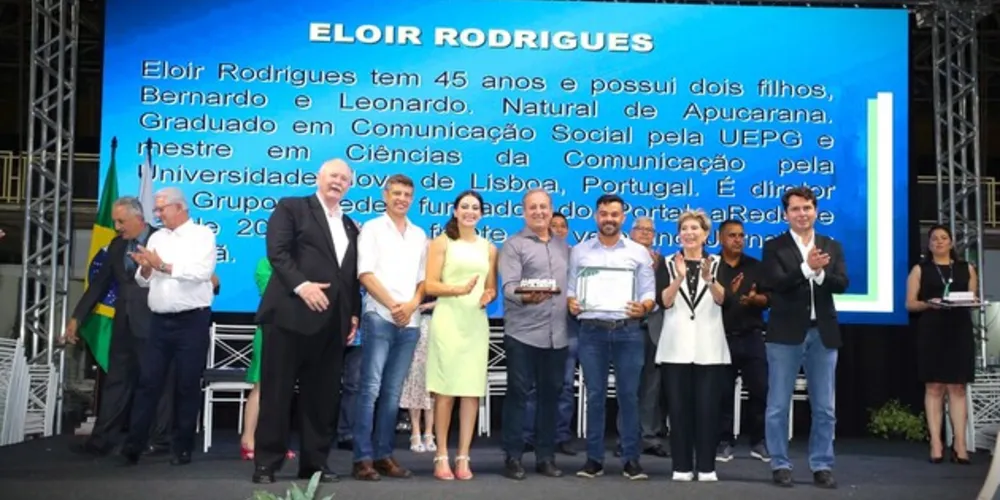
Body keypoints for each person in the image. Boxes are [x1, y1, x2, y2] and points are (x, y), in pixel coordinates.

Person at [252, 158, 361, 484]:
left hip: (332, 325)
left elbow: (350, 276)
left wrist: (353, 312)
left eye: (344, 178)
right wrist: (302, 286)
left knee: (323, 399)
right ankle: (266, 464)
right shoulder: (292, 207)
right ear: (319, 177)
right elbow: (278, 251)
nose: (337, 181)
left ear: (349, 186)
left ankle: (314, 464)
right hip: (289, 317)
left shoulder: (350, 225)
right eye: (332, 175)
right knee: (277, 394)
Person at [63, 196, 172, 456]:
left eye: (121, 221)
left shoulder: (163, 240)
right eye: (114, 221)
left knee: (158, 382)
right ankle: (101, 441)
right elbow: (99, 285)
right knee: (117, 382)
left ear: (138, 218)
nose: (117, 226)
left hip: (154, 322)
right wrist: (76, 318)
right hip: (123, 324)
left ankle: (161, 441)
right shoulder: (115, 245)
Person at [120, 187, 217, 466]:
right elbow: (143, 280)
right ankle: (134, 445)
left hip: (192, 320)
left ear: (179, 208)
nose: (158, 214)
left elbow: (200, 273)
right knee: (148, 383)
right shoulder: (158, 237)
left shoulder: (203, 235)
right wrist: (147, 268)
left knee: (187, 385)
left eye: (162, 209)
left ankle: (182, 447)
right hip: (160, 321)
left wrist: (160, 264)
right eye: (157, 210)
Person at [760, 187, 848, 489]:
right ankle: (779, 463)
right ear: (786, 214)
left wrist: (821, 274)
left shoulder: (830, 245)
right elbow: (774, 283)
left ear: (816, 210)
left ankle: (822, 464)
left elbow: (841, 283)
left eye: (807, 208)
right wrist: (806, 268)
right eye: (795, 209)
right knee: (777, 406)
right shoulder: (774, 247)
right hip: (785, 334)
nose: (802, 214)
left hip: (823, 334)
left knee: (825, 406)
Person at [567, 194, 655, 481]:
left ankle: (631, 459)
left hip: (628, 331)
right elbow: (571, 289)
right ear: (596, 216)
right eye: (604, 214)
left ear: (622, 218)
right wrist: (571, 302)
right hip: (592, 331)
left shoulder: (638, 253)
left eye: (614, 214)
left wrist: (643, 306)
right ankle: (594, 459)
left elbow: (649, 294)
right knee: (594, 396)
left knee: (629, 396)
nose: (609, 219)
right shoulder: (580, 252)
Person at [351, 174, 426, 481]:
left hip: (411, 322)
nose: (402, 199)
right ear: (385, 195)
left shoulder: (420, 234)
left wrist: (409, 307)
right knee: (370, 389)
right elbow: (365, 274)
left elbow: (423, 281)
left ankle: (384, 455)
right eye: (396, 193)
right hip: (379, 316)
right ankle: (362, 458)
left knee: (393, 393)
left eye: (407, 194)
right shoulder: (371, 228)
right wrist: (395, 306)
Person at [424, 189, 497, 481]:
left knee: (470, 391)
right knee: (446, 391)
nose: (470, 211)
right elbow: (430, 284)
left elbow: (490, 287)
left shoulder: (489, 248)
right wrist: (458, 290)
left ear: (481, 214)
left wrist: (487, 295)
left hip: (475, 323)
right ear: (455, 211)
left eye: (475, 207)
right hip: (448, 320)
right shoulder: (442, 242)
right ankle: (441, 454)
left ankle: (463, 455)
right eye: (464, 206)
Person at [499, 189, 570, 480]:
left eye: (544, 207)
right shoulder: (513, 245)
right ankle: (513, 457)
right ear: (524, 212)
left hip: (559, 335)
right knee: (518, 395)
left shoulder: (564, 247)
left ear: (551, 210)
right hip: (523, 334)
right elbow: (509, 288)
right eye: (533, 207)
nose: (539, 212)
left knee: (550, 397)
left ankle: (546, 457)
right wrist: (530, 295)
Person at [654, 210, 730, 482]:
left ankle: (707, 466)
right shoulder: (668, 263)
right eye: (684, 228)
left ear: (706, 234)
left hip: (710, 347)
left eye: (694, 228)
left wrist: (709, 280)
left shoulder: (719, 263)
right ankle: (682, 466)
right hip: (675, 347)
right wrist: (678, 278)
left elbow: (723, 300)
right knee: (678, 409)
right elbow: (664, 301)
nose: (689, 233)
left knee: (708, 410)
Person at [906, 224, 976, 464]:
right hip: (931, 330)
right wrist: (929, 304)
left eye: (943, 238)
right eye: (934, 238)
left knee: (957, 387)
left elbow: (972, 298)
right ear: (929, 244)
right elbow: (910, 304)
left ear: (952, 242)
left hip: (959, 330)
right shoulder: (920, 269)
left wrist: (971, 300)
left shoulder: (966, 268)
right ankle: (936, 442)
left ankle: (960, 444)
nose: (939, 242)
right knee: (934, 387)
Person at [715, 219, 770, 463]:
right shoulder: (712, 266)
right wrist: (732, 295)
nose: (738, 240)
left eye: (741, 235)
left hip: (752, 336)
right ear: (720, 238)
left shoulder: (756, 266)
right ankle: (724, 441)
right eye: (732, 235)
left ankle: (758, 441)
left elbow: (769, 299)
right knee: (723, 393)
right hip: (721, 337)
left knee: (760, 390)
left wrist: (756, 300)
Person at [240, 257, 295, 461]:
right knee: (261, 386)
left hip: (295, 332)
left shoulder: (301, 263)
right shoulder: (265, 263)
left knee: (283, 390)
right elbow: (271, 294)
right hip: (270, 330)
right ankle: (248, 440)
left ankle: (277, 443)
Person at [399, 297, 437, 454]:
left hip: (438, 322)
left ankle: (429, 432)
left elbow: (452, 296)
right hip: (414, 322)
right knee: (415, 376)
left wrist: (434, 304)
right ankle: (415, 432)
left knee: (434, 379)